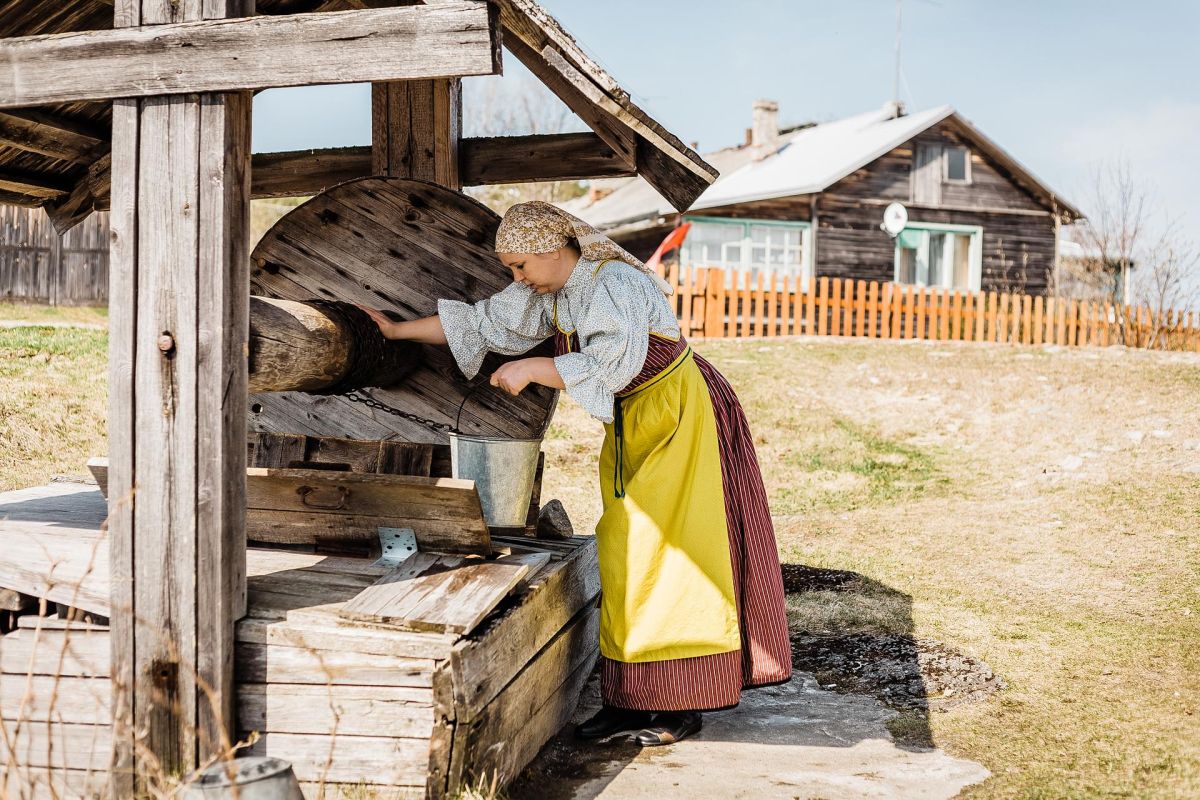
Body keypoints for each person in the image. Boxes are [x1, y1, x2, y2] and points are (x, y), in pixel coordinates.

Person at [359, 201, 791, 746]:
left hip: (681, 415)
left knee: (671, 553)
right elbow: (482, 322)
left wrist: (537, 367)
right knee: (623, 547)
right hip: (637, 420)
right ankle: (630, 699)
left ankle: (681, 704)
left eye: (520, 266)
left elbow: (620, 358)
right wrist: (395, 332)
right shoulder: (554, 293)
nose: (516, 278)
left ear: (551, 248)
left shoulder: (614, 283)